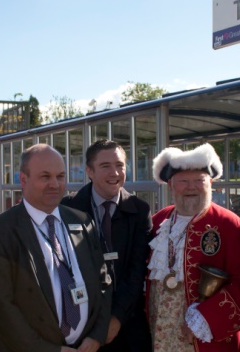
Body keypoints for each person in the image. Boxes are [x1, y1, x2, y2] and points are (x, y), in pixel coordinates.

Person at [0, 144, 112, 352]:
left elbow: (103, 280)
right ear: (23, 180)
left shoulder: (82, 221)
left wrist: (97, 335)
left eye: (60, 176)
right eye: (45, 177)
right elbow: (2, 307)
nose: (55, 184)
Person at [147, 143, 240, 352]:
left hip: (205, 340)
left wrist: (206, 317)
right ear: (171, 185)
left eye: (199, 180)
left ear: (210, 183)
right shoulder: (159, 220)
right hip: (158, 336)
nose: (191, 187)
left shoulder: (228, 224)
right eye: (183, 181)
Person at [61, 139, 152, 352]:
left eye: (120, 165)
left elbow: (137, 271)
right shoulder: (68, 209)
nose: (115, 172)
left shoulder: (139, 211)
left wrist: (116, 319)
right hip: (81, 327)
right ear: (89, 171)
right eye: (105, 166)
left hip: (127, 325)